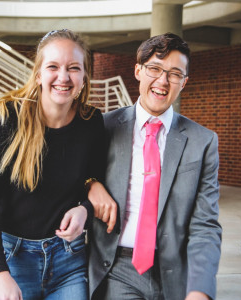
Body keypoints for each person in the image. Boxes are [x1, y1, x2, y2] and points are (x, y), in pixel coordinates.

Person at [87, 33, 222, 300]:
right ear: (138, 71)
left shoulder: (203, 141)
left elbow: (205, 224)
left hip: (176, 273)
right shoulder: (103, 127)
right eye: (155, 69)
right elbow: (68, 175)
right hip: (117, 268)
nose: (162, 81)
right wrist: (90, 184)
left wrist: (200, 289)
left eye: (174, 74)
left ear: (184, 82)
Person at [0, 29, 106, 300]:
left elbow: (91, 181)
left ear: (83, 77)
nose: (63, 77)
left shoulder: (91, 122)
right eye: (53, 67)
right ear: (38, 75)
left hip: (68, 261)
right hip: (12, 260)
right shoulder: (7, 117)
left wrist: (85, 210)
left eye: (73, 68)